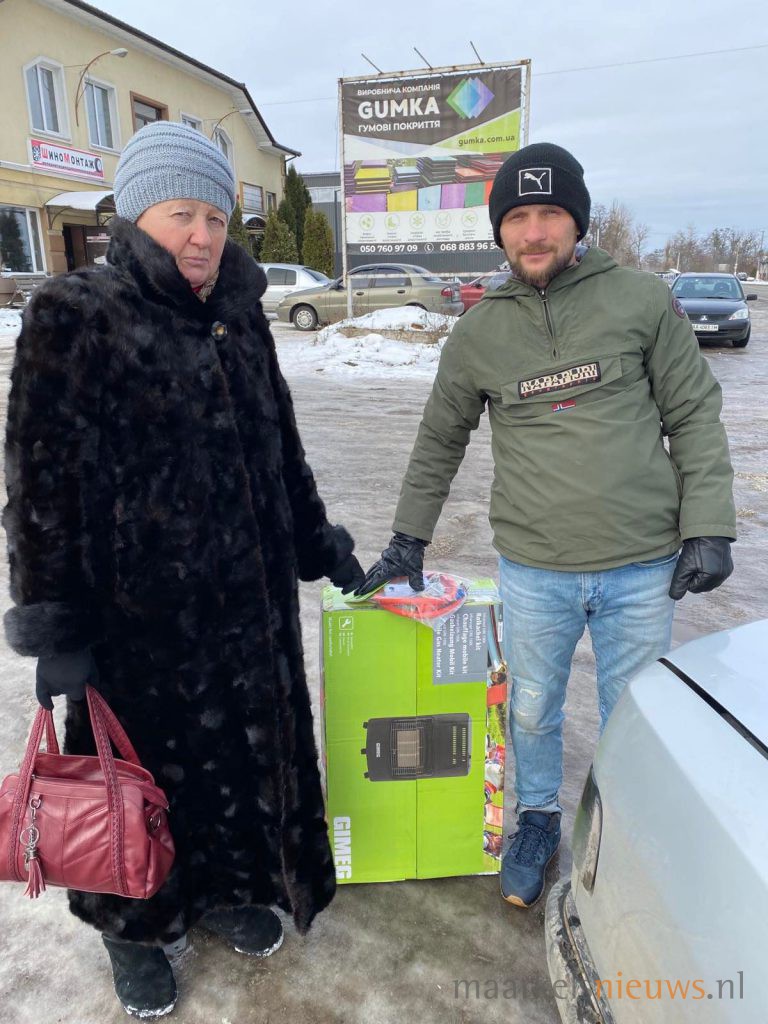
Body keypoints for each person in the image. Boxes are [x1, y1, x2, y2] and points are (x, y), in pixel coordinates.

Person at [3, 121, 364, 1019]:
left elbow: (280, 448)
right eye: (181, 215)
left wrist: (319, 541)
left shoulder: (240, 315)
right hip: (138, 625)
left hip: (250, 611)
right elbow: (40, 485)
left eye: (216, 217)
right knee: (140, 780)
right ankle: (135, 931)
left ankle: (230, 889)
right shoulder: (75, 314)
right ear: (135, 216)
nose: (202, 236)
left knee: (241, 768)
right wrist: (55, 624)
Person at [357, 142, 735, 910]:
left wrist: (709, 525)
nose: (534, 232)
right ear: (500, 230)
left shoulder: (640, 301)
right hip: (535, 568)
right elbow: (439, 439)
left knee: (633, 716)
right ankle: (536, 819)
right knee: (529, 707)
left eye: (550, 214)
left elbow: (694, 413)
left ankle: (620, 829)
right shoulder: (479, 332)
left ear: (578, 222)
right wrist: (408, 538)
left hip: (642, 565)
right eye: (518, 217)